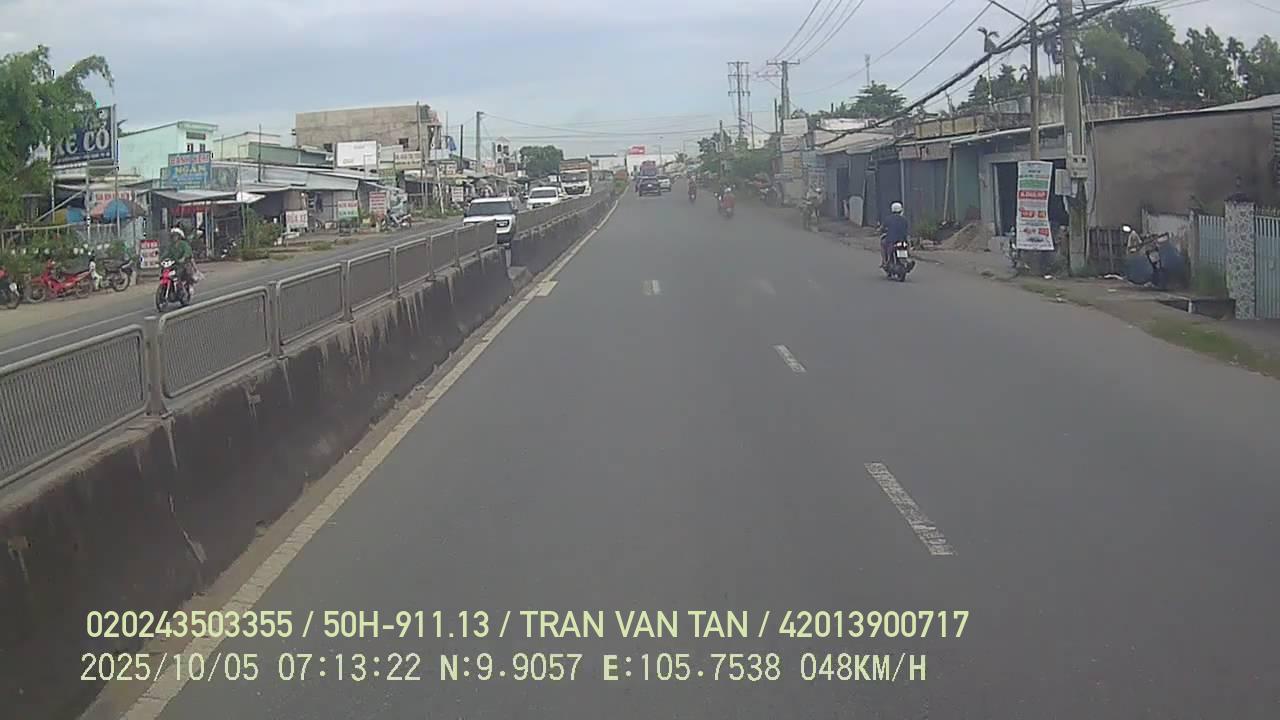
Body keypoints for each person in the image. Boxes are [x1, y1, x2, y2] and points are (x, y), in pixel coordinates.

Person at [882, 201, 909, 268]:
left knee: (883, 244)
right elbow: (906, 230)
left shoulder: (888, 219)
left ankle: (885, 261)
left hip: (891, 241)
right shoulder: (904, 219)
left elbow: (883, 227)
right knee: (907, 246)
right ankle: (907, 258)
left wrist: (879, 230)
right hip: (903, 241)